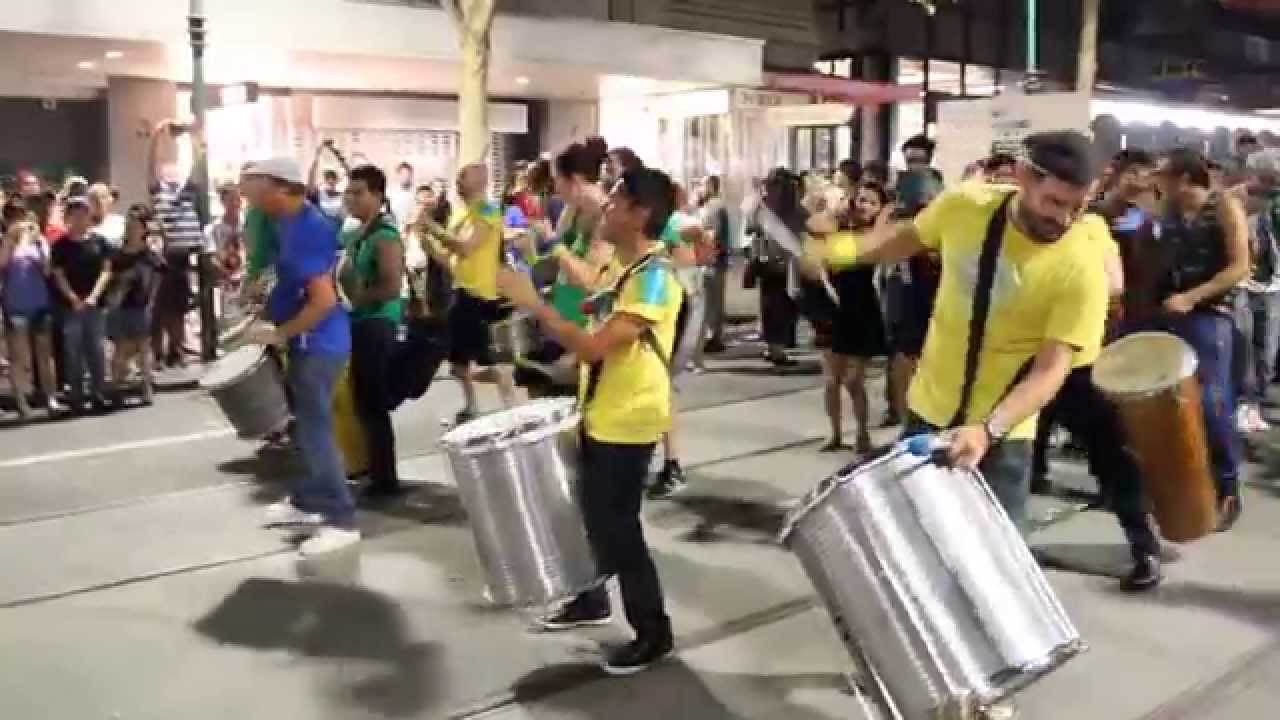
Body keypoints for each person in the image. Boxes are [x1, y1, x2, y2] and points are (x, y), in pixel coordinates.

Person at [856, 131, 1112, 537]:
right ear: (1023, 176)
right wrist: (841, 252)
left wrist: (987, 430)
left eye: (1077, 208)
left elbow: (1051, 370)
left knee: (997, 562)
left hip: (1002, 437)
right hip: (928, 414)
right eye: (1055, 203)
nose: (1064, 219)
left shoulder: (1081, 266)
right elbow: (907, 240)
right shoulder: (964, 207)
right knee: (914, 542)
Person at [497, 166, 681, 676]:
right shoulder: (625, 269)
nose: (606, 207)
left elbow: (594, 344)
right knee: (592, 515)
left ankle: (653, 631)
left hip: (630, 419)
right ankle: (591, 597)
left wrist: (533, 303)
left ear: (641, 212)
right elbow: (590, 295)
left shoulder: (656, 279)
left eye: (616, 199)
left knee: (617, 525)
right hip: (603, 412)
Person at [241, 157, 358, 555]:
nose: (247, 191)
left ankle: (342, 520)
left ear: (279, 186)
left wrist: (278, 333)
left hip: (319, 344)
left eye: (254, 183)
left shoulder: (308, 229)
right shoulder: (285, 222)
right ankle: (310, 500)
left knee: (316, 431)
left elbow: (323, 300)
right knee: (306, 430)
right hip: (306, 342)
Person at [1139, 147, 1250, 531]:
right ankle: (1181, 489)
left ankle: (1227, 488)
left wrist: (1192, 297)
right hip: (1169, 312)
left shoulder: (1223, 206)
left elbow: (1239, 267)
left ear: (1184, 178)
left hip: (1209, 316)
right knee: (1170, 402)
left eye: (1164, 175)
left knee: (1211, 402)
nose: (1158, 183)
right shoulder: (1166, 213)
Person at [510, 141, 612, 399]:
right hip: (561, 318)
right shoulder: (572, 211)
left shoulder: (605, 218)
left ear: (575, 180)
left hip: (584, 329)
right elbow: (557, 263)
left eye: (557, 179)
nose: (554, 187)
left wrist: (553, 243)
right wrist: (531, 254)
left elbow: (592, 281)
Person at [800, 182, 891, 454]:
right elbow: (812, 228)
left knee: (853, 380)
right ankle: (835, 433)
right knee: (831, 380)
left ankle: (862, 433)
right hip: (831, 309)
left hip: (861, 309)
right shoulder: (837, 228)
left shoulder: (875, 234)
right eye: (860, 200)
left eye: (870, 202)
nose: (862, 205)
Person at [338, 165, 405, 501]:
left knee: (373, 402)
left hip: (378, 324)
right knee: (364, 401)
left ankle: (385, 479)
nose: (351, 198)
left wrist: (355, 298)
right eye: (348, 192)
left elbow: (392, 286)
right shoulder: (359, 233)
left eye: (359, 192)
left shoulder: (386, 236)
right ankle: (377, 471)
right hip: (361, 322)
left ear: (377, 196)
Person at [439, 163, 517, 424]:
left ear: (481, 180)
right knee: (458, 362)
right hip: (461, 291)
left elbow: (466, 248)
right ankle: (472, 406)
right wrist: (428, 241)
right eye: (458, 176)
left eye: (464, 176)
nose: (458, 181)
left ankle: (511, 407)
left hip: (480, 294)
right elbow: (449, 257)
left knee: (485, 360)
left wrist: (430, 227)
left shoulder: (487, 210)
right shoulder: (461, 215)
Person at [149, 120, 206, 369]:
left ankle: (176, 350)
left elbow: (198, 163)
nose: (170, 172)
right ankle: (157, 354)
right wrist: (157, 135)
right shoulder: (157, 191)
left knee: (179, 308)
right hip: (166, 256)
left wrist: (193, 138)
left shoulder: (187, 192)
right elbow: (150, 165)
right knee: (161, 307)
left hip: (183, 256)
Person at [1232, 148, 1280, 433]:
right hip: (1243, 285)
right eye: (1270, 177)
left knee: (1267, 350)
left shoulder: (1275, 201)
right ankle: (1241, 403)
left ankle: (1256, 405)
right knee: (1244, 347)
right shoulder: (1235, 199)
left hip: (1273, 284)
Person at [50, 197, 114, 414]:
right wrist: (72, 298)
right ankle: (76, 395)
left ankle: (98, 393)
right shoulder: (60, 246)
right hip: (70, 306)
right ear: (68, 217)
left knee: (96, 349)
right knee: (73, 351)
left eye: (83, 214)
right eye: (74, 214)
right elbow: (58, 274)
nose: (79, 219)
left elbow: (106, 271)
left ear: (89, 216)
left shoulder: (100, 242)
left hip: (95, 304)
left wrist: (94, 296)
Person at [1, 205, 60, 418]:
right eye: (13, 217)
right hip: (15, 306)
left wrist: (36, 241)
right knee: (19, 357)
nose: (18, 222)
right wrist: (13, 240)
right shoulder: (6, 241)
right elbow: (3, 264)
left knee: (45, 355)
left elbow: (46, 269)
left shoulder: (39, 241)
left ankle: (51, 397)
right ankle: (21, 402)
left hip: (39, 304)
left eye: (20, 216)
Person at [106, 204, 163, 405]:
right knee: (121, 348)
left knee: (144, 346)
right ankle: (116, 387)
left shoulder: (149, 254)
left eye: (136, 226)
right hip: (121, 306)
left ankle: (147, 388)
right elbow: (109, 277)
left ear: (143, 229)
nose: (132, 229)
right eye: (129, 225)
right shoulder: (118, 254)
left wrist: (152, 301)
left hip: (141, 305)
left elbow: (158, 276)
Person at [747, 168, 804, 368]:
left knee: (773, 305)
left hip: (770, 263)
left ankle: (775, 347)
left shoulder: (766, 208)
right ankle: (776, 349)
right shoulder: (793, 209)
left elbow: (750, 227)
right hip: (783, 264)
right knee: (780, 306)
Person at [307, 140, 349, 224]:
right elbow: (311, 178)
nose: (330, 181)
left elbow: (352, 178)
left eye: (332, 178)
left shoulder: (343, 196)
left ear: (336, 180)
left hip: (337, 230)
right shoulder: (318, 195)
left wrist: (339, 157)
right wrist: (317, 155)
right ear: (325, 180)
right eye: (327, 178)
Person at [89, 183, 125, 248]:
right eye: (94, 198)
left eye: (103, 197)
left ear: (110, 200)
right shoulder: (83, 225)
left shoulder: (121, 223)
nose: (99, 201)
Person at [389, 162, 416, 229]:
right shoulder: (389, 192)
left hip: (409, 228)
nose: (406, 177)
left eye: (408, 175)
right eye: (403, 174)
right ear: (398, 175)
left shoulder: (415, 193)